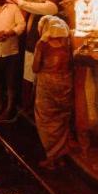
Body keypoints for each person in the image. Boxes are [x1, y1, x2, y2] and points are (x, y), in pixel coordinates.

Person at [31, 16, 74, 170]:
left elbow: (35, 68)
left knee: (46, 121)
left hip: (47, 85)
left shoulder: (43, 44)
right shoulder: (68, 43)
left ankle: (51, 157)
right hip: (66, 84)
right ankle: (61, 155)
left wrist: (41, 43)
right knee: (62, 119)